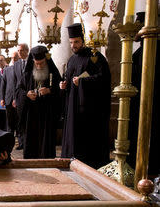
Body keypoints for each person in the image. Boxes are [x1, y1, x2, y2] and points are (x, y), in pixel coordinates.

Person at [60, 23, 111, 169]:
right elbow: (67, 78)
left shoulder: (95, 57)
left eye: (76, 42)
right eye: (71, 42)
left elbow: (103, 79)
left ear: (83, 40)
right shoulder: (72, 59)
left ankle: (89, 164)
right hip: (72, 106)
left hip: (89, 109)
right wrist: (64, 85)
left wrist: (82, 82)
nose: (73, 45)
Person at [127, 12, 160, 177]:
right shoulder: (138, 53)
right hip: (137, 103)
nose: (135, 33)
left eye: (138, 28)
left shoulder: (152, 51)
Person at [16, 46, 61, 159]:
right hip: (31, 114)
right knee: (31, 142)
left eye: (42, 63)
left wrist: (49, 90)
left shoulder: (54, 74)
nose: (39, 66)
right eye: (37, 63)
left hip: (47, 114)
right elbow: (18, 91)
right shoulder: (27, 75)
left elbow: (61, 91)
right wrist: (27, 94)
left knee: (46, 143)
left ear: (47, 60)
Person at [14, 43, 30, 149]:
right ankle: (21, 143)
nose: (19, 53)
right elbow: (15, 83)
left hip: (30, 96)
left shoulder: (32, 62)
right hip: (20, 97)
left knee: (28, 120)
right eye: (18, 51)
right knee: (20, 120)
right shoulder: (16, 64)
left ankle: (28, 142)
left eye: (21, 50)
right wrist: (15, 98)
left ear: (27, 51)